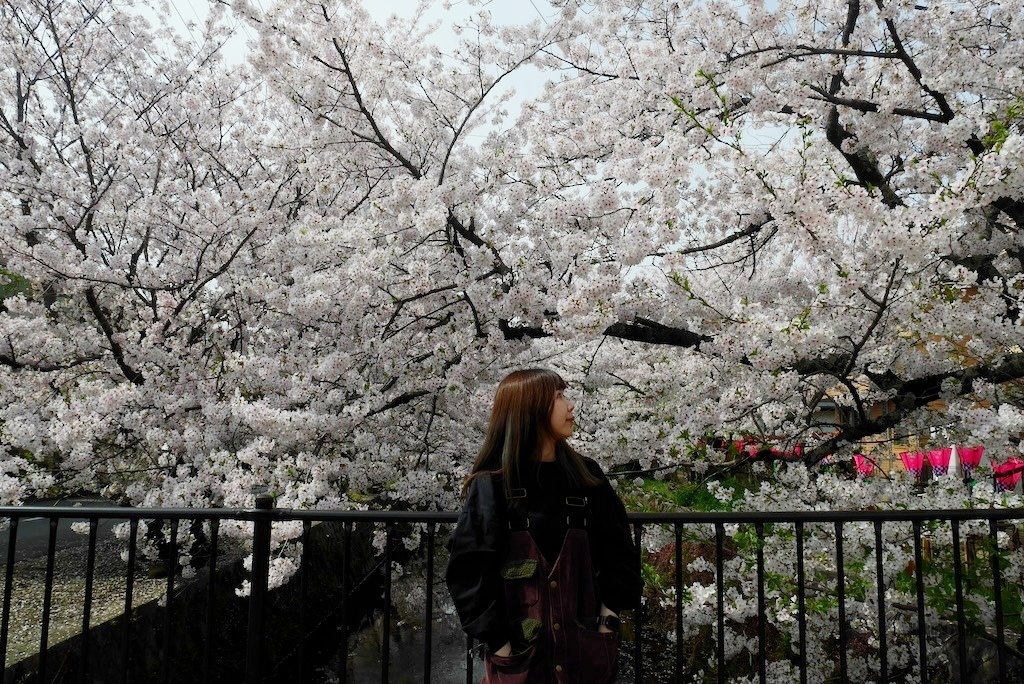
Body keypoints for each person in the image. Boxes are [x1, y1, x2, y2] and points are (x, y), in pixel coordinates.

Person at [446, 368, 643, 683]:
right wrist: (502, 647)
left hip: (586, 656)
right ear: (531, 409)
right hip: (521, 663)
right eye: (559, 397)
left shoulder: (586, 477)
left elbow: (620, 552)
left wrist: (608, 621)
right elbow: (468, 574)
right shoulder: (494, 485)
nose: (570, 406)